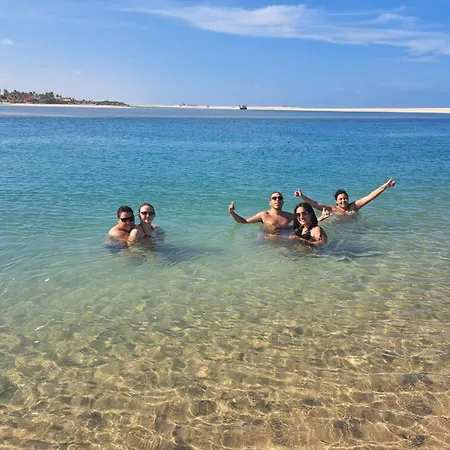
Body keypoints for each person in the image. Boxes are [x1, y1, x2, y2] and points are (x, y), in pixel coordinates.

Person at [294, 178, 396, 215]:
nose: (343, 200)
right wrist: (302, 197)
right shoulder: (333, 209)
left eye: (345, 198)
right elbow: (315, 204)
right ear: (336, 201)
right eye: (340, 199)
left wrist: (386, 186)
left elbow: (370, 196)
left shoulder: (354, 206)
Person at [229, 192, 295, 232]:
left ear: (283, 202)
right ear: (270, 203)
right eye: (274, 198)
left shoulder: (289, 216)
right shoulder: (263, 215)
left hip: (283, 240)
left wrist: (300, 197)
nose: (277, 200)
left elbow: (301, 218)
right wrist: (232, 212)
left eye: (280, 198)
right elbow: (244, 222)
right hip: (267, 241)